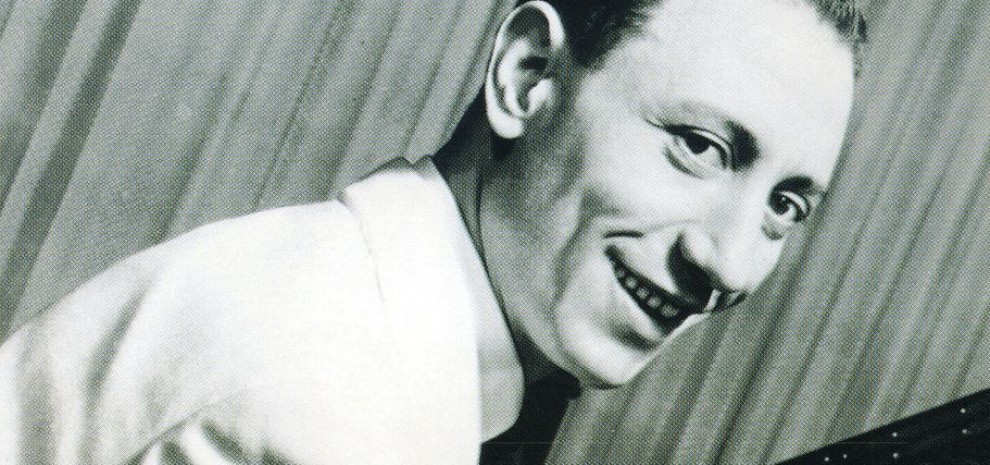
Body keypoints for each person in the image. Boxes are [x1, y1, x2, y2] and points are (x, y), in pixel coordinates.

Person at [0, 0, 865, 463]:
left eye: (786, 206)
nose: (728, 261)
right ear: (527, 77)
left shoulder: (366, 305)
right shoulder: (333, 407)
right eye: (700, 147)